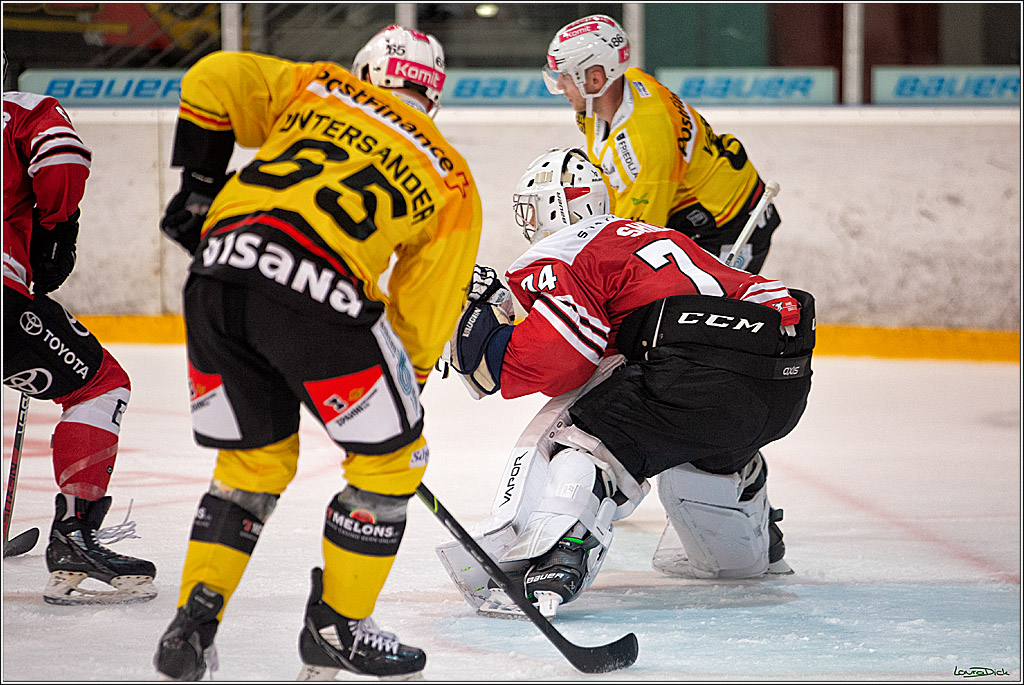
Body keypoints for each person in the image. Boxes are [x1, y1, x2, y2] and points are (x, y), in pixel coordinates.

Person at [152, 26, 482, 681]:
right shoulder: (449, 175)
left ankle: (192, 622)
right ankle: (339, 627)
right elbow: (423, 317)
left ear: (365, 71)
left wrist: (200, 187)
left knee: (252, 461)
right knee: (393, 461)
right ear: (433, 96)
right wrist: (396, 412)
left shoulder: (321, 87)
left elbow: (211, 78)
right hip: (318, 291)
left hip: (216, 274)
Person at [437, 148, 813, 619]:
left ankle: (554, 559)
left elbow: (562, 357)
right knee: (704, 445)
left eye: (531, 211)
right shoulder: (658, 234)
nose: (529, 225)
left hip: (688, 373)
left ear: (555, 207)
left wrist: (492, 350)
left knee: (584, 442)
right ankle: (747, 547)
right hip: (782, 379)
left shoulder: (560, 250)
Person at [2, 51, 157, 605]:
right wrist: (57, 228)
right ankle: (75, 537)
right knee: (100, 385)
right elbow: (62, 155)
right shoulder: (19, 109)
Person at [543, 14, 780, 274]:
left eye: (565, 75)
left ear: (596, 79)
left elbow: (637, 242)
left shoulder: (647, 146)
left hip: (731, 224)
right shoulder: (611, 94)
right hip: (691, 212)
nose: (559, 85)